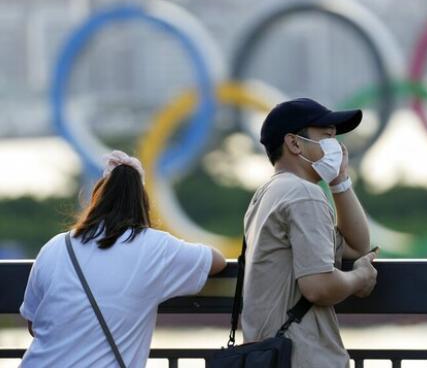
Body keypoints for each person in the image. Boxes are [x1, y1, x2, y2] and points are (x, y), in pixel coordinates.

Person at [20, 150, 226, 367]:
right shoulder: (156, 247)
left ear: (97, 197)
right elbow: (216, 261)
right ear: (142, 202)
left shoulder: (55, 246)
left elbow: (34, 325)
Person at [241, 98, 378, 368]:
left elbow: (356, 245)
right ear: (294, 143)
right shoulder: (304, 196)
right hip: (302, 356)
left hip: (268, 355)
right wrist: (360, 277)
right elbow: (318, 286)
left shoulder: (268, 194)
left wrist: (339, 182)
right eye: (327, 136)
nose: (337, 147)